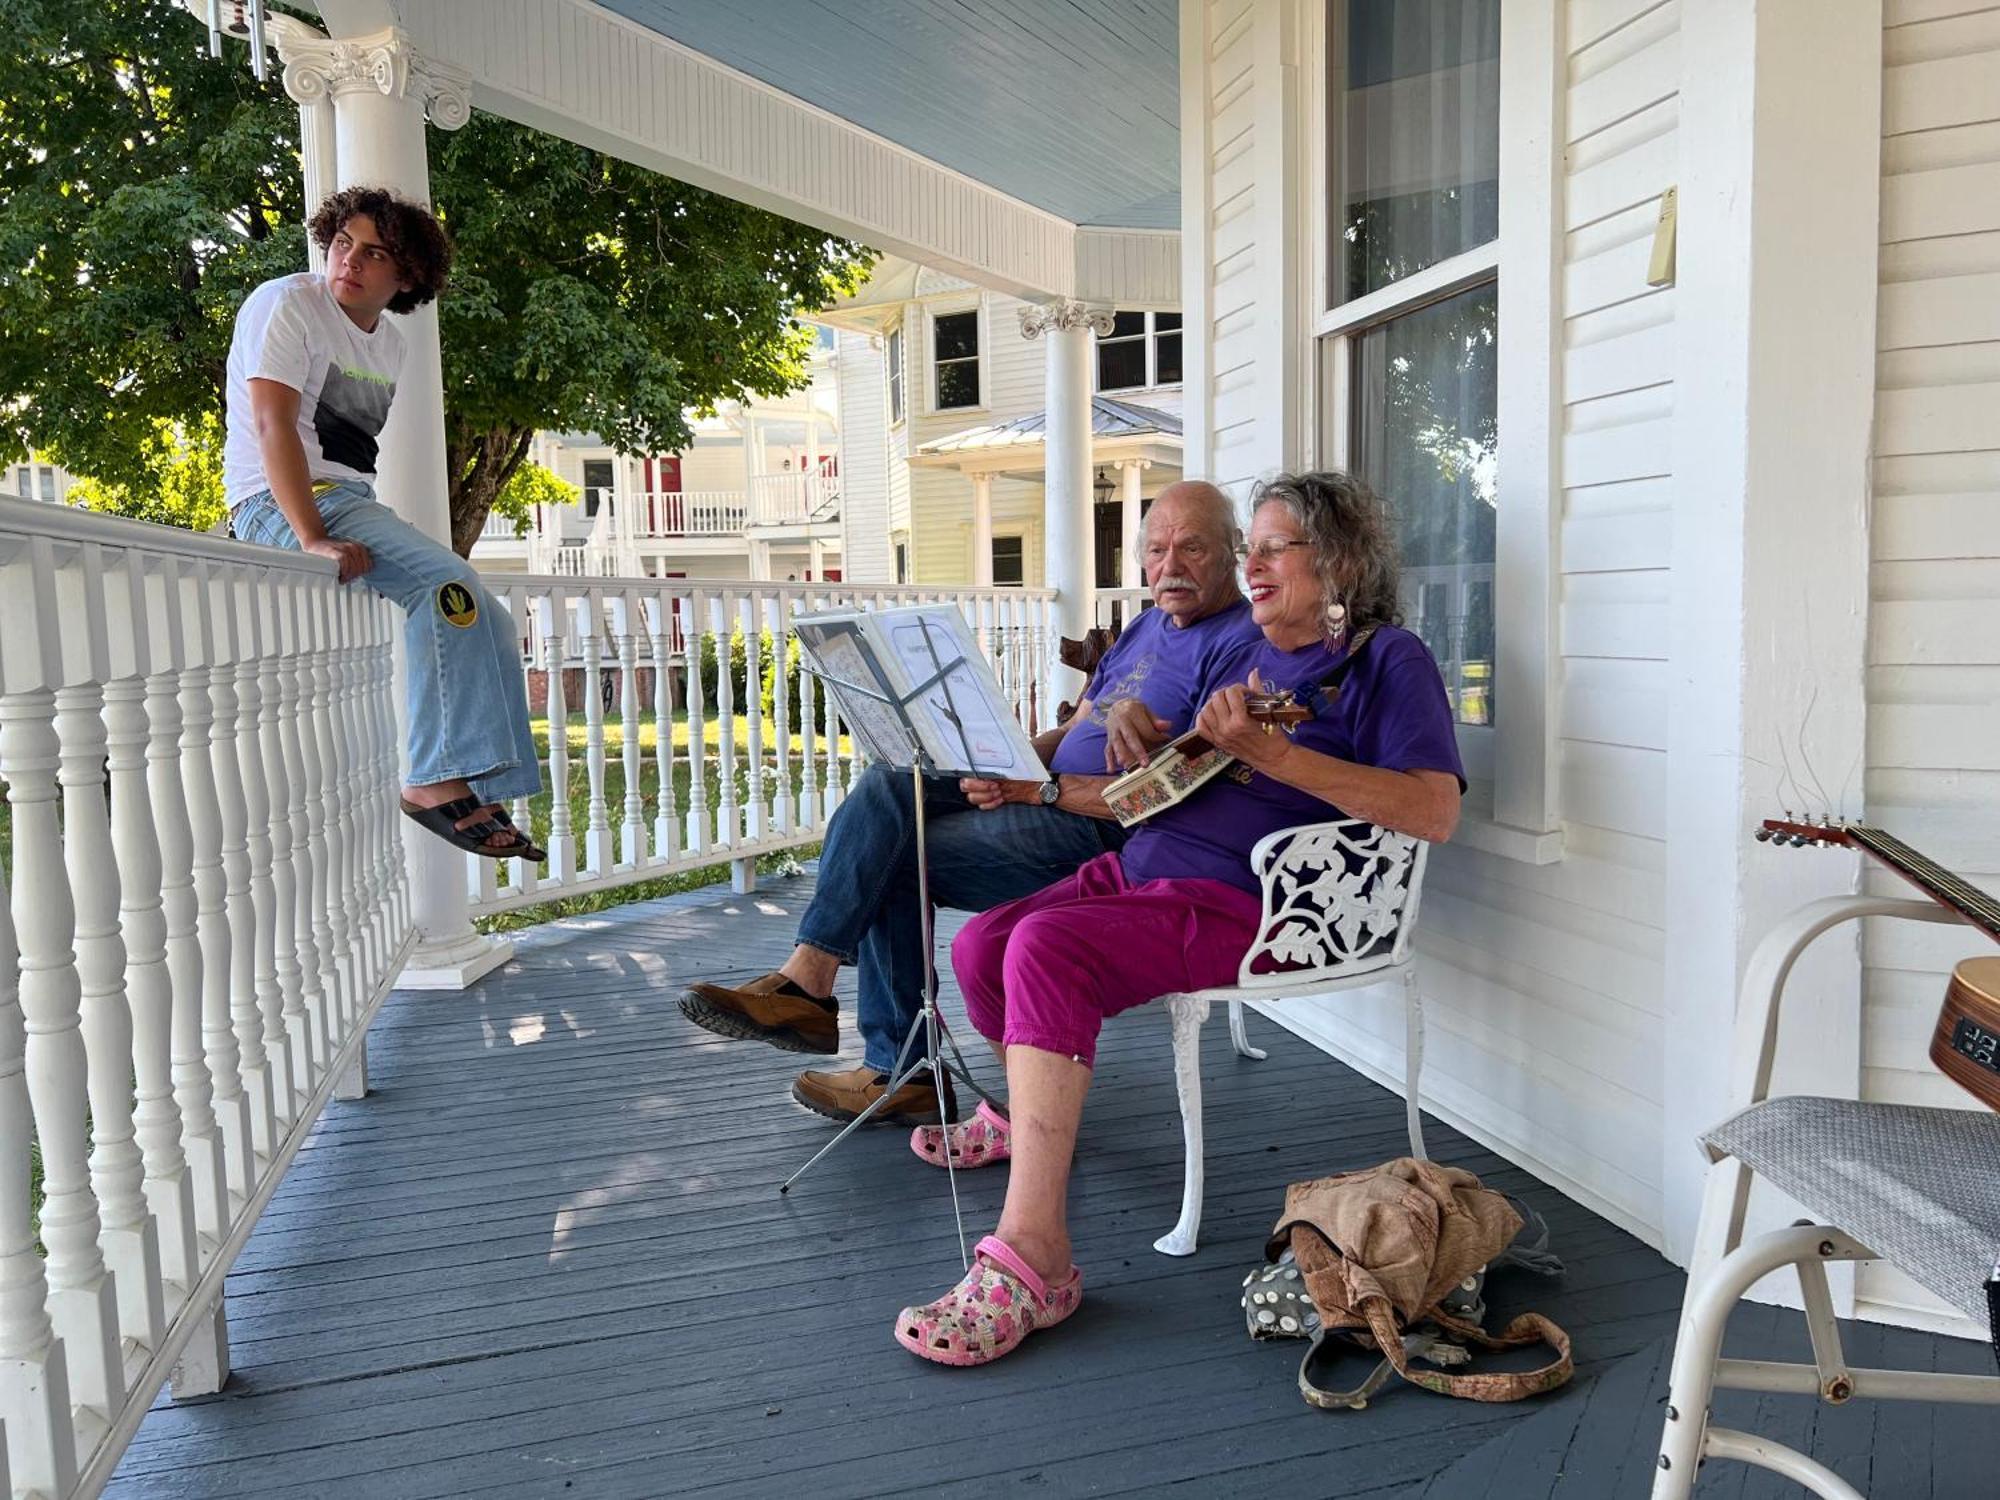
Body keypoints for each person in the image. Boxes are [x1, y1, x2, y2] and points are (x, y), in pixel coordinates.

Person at [893, 469, 1465, 1367]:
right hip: (1144, 868)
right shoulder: (1250, 663)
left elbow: (1432, 811)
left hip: (1260, 902)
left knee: (1043, 948)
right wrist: (1042, 781)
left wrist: (1273, 757)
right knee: (982, 941)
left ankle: (1035, 1257)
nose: (1255, 565)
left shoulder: (1386, 661)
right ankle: (1023, 1121)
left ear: (1339, 563)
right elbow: (1152, 793)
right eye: (1254, 548)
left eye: (1276, 547)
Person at [675, 481, 1261, 1127]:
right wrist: (1007, 759)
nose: (1169, 566)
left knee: (893, 857)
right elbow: (1073, 732)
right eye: (1156, 550)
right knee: (896, 775)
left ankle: (888, 1059)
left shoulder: (1239, 643)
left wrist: (1034, 788)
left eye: (1191, 548)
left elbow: (1171, 790)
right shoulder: (1147, 626)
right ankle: (819, 988)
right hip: (1038, 790)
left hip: (1102, 826)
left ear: (1232, 552)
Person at [223, 187, 544, 861]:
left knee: (490, 615)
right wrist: (310, 534)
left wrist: (341, 518)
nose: (350, 261)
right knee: (447, 584)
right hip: (279, 503)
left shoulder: (390, 347)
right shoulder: (288, 304)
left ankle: (480, 778)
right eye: (344, 243)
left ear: (406, 277)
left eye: (375, 253)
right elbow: (270, 424)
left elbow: (349, 457)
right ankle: (431, 778)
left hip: (349, 501)